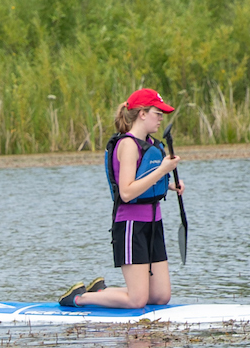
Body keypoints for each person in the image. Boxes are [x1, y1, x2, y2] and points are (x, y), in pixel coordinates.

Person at [60, 87, 185, 309]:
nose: (160, 119)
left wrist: (171, 184)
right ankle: (79, 298)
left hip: (154, 223)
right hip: (131, 225)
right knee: (137, 301)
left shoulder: (152, 144)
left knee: (160, 296)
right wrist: (163, 170)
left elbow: (146, 181)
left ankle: (102, 291)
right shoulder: (127, 145)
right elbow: (127, 192)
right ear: (142, 114)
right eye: (158, 113)